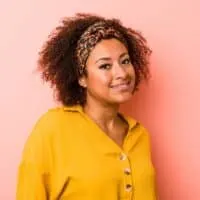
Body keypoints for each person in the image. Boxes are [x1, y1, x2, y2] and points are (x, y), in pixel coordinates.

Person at [16, 13, 156, 200]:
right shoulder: (52, 129)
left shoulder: (139, 135)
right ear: (82, 78)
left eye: (125, 61)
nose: (121, 73)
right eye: (105, 66)